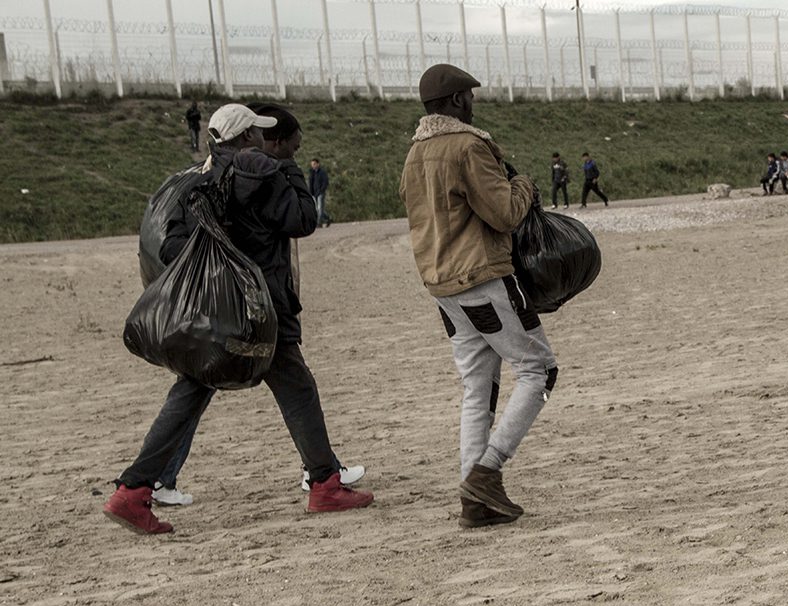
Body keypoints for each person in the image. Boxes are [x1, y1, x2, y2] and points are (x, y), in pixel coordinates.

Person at [103, 103, 373, 534]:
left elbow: (171, 246)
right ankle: (324, 485)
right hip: (263, 308)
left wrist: (221, 264)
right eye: (257, 132)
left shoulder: (198, 182)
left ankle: (133, 491)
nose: (264, 139)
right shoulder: (265, 173)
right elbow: (303, 219)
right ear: (246, 137)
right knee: (298, 391)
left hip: (213, 315)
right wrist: (288, 168)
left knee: (192, 390)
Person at [399, 64, 555, 529]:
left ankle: (474, 498)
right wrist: (524, 185)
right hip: (483, 277)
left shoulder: (414, 154)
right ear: (455, 101)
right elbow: (505, 213)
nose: (473, 103)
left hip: (442, 285)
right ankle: (488, 471)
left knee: (477, 386)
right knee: (539, 370)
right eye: (469, 95)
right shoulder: (468, 146)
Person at [309, 158, 332, 226]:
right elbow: (310, 183)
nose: (313, 165)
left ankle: (319, 223)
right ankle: (328, 218)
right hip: (314, 193)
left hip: (321, 192)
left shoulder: (322, 172)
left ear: (318, 164)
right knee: (317, 209)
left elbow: (325, 182)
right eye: (312, 164)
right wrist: (310, 192)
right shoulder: (312, 173)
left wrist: (322, 190)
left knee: (320, 208)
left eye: (314, 164)